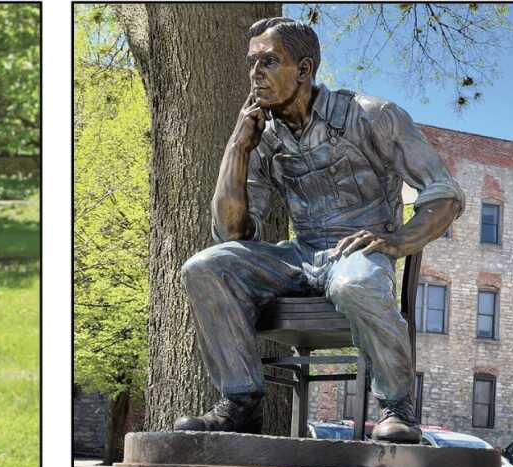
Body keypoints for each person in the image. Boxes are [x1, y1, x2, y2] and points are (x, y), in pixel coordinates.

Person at [175, 18, 463, 443]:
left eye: (269, 62)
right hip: (301, 255)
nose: (256, 74)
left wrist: (399, 241)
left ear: (304, 69)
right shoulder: (261, 137)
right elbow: (232, 234)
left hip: (358, 252)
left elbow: (445, 194)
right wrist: (237, 147)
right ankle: (240, 402)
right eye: (252, 63)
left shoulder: (371, 115)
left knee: (353, 284)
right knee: (204, 267)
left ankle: (397, 407)